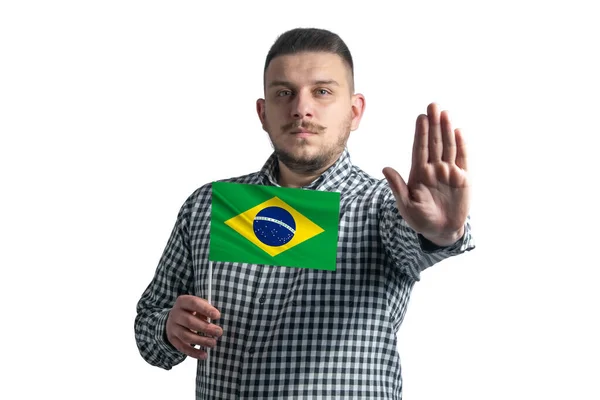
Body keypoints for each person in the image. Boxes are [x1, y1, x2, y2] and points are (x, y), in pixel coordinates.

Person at [134, 27, 475, 399]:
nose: (301, 108)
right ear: (263, 112)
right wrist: (168, 327)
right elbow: (149, 329)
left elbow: (418, 243)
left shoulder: (383, 209)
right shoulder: (208, 205)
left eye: (322, 92)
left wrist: (441, 231)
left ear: (355, 110)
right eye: (284, 93)